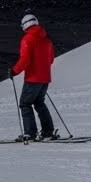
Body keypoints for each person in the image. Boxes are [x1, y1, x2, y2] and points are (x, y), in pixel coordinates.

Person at [10, 13, 57, 141]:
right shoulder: (47, 40)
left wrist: (14, 71)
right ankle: (48, 132)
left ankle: (30, 133)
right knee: (39, 103)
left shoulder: (27, 39)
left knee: (25, 104)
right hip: (45, 78)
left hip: (32, 78)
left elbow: (25, 59)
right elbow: (51, 60)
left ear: (25, 25)